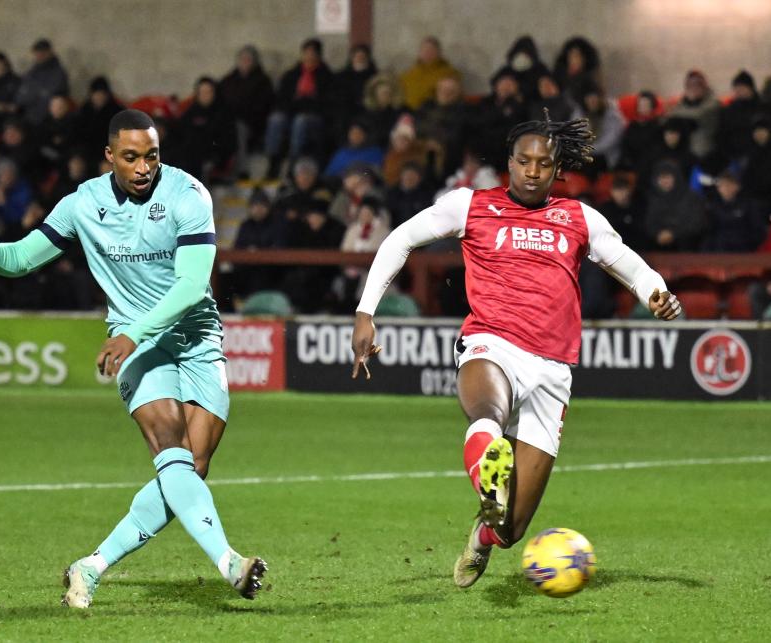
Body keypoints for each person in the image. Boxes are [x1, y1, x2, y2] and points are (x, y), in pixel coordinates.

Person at [0, 109, 266, 607]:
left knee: (191, 468)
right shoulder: (83, 204)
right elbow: (19, 260)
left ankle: (90, 566)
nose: (143, 168)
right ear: (109, 157)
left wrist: (134, 333)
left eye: (152, 156)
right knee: (169, 445)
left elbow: (190, 285)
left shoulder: (188, 195)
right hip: (137, 345)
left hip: (197, 337)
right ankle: (230, 563)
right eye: (132, 157)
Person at [349, 112, 681, 589]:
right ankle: (490, 463)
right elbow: (401, 238)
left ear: (556, 169)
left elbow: (625, 260)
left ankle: (484, 535)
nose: (532, 170)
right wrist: (366, 310)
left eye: (543, 164)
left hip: (554, 368)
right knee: (488, 410)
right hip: (492, 340)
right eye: (523, 161)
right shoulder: (470, 205)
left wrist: (656, 291)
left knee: (511, 530)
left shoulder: (578, 217)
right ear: (508, 163)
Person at [264, 38, 333, 175]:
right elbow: (282, 99)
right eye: (306, 53)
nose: (309, 56)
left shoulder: (326, 76)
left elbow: (325, 103)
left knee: (300, 121)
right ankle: (273, 160)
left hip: (314, 118)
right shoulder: (292, 75)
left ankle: (293, 162)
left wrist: (303, 101)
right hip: (291, 113)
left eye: (312, 53)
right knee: (276, 119)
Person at [218, 46, 275, 179]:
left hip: (252, 124)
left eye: (248, 60)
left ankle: (242, 170)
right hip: (228, 121)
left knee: (239, 129)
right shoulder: (228, 80)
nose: (245, 62)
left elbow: (263, 107)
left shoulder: (263, 81)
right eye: (242, 59)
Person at [15, 38, 70, 125]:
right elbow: (20, 98)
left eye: (42, 52)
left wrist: (33, 94)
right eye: (37, 53)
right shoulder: (31, 73)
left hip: (50, 122)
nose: (39, 55)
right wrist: (36, 94)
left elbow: (51, 98)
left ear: (50, 52)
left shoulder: (58, 73)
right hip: (28, 120)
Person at [400, 36, 462, 111]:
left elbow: (452, 99)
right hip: (408, 115)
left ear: (439, 53)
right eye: (424, 50)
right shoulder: (408, 74)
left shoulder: (449, 74)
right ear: (420, 52)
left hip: (435, 115)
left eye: (431, 50)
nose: (427, 53)